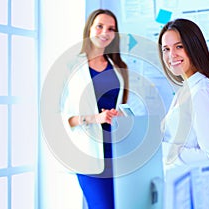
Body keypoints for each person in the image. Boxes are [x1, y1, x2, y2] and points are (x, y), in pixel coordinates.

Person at [62, 9, 129, 209]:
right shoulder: (72, 66)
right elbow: (65, 118)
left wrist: (122, 115)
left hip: (117, 151)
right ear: (89, 28)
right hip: (88, 153)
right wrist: (95, 118)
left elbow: (122, 104)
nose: (105, 32)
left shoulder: (118, 66)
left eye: (111, 29)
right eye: (99, 26)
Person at [157, 18, 209, 168]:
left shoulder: (203, 91)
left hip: (193, 187)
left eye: (179, 46)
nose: (171, 55)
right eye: (166, 49)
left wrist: (159, 150)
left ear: (194, 47)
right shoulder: (185, 89)